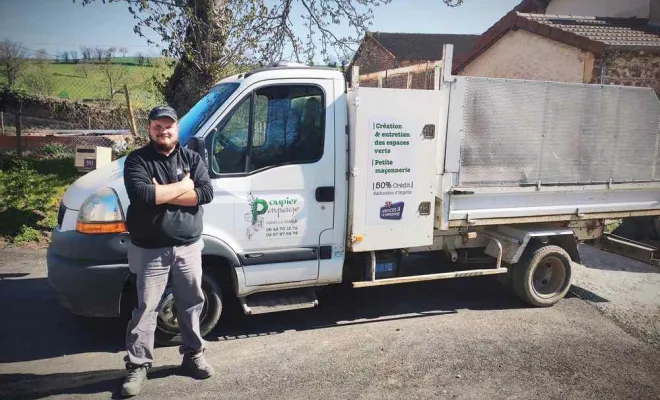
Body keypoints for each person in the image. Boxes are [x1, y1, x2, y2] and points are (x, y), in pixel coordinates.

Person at [120, 105, 215, 397]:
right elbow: (143, 195)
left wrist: (165, 192)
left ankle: (193, 355)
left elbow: (206, 193)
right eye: (157, 126)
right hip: (149, 250)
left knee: (191, 303)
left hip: (188, 247)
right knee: (146, 307)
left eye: (168, 125)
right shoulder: (137, 160)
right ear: (149, 129)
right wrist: (184, 186)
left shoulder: (192, 157)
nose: (163, 130)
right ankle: (138, 365)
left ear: (176, 128)